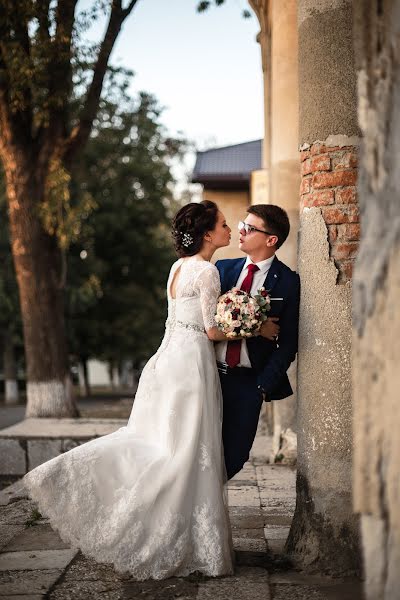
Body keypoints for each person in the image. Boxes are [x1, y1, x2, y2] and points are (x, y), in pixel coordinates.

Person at [22, 200, 275, 581]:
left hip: (164, 360)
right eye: (224, 224)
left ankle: (157, 524)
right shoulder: (207, 272)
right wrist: (255, 325)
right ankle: (176, 537)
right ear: (208, 234)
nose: (228, 229)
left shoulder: (176, 267)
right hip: (191, 364)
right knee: (186, 452)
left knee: (158, 442)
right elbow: (210, 330)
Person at [215, 204, 300, 480]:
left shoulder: (288, 282)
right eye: (242, 224)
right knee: (201, 451)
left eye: (249, 228)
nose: (241, 231)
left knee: (235, 457)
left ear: (270, 239)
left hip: (248, 383)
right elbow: (205, 324)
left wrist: (262, 388)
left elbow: (288, 345)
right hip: (210, 375)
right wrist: (255, 328)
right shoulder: (222, 270)